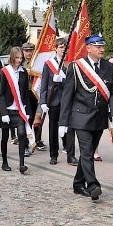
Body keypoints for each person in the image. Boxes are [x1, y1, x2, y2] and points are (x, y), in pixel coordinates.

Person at [58, 33, 113, 201]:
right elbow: (67, 95)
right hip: (80, 116)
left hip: (99, 118)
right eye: (98, 46)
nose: (101, 49)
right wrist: (63, 122)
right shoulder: (76, 67)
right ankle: (93, 185)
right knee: (86, 152)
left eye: (102, 46)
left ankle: (78, 183)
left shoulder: (108, 67)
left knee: (90, 151)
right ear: (89, 48)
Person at [39, 37, 78, 165]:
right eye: (61, 47)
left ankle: (70, 155)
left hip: (68, 101)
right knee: (53, 128)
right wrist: (43, 102)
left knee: (70, 128)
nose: (63, 50)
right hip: (54, 100)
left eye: (65, 47)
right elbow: (44, 84)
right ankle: (53, 155)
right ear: (55, 48)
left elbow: (75, 83)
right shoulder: (49, 64)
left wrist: (63, 79)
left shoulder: (71, 64)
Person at [0, 46, 34, 173]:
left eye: (21, 58)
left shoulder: (24, 72)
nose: (19, 60)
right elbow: (1, 94)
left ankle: (22, 164)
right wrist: (3, 112)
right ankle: (4, 162)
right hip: (8, 109)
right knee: (5, 137)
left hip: (19, 109)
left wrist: (28, 111)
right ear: (12, 57)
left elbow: (25, 94)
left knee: (22, 134)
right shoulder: (4, 72)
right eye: (17, 58)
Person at [21, 42, 45, 153]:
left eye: (30, 50)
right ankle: (25, 143)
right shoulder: (20, 62)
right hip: (24, 93)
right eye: (26, 51)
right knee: (27, 118)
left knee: (37, 117)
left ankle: (35, 139)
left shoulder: (38, 62)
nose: (28, 53)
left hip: (36, 92)